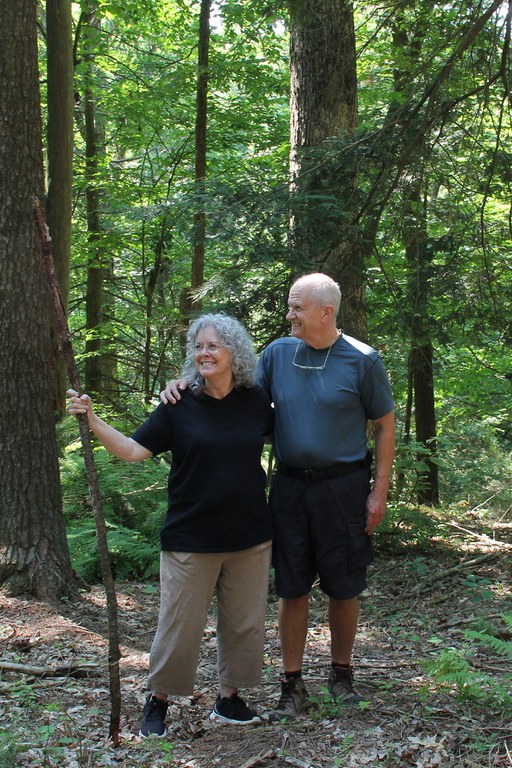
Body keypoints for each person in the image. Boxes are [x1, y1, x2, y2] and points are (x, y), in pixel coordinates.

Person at [161, 273, 395, 722]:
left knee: (344, 586)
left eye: (296, 308)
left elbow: (385, 426)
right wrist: (184, 383)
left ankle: (341, 675)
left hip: (343, 488)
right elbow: (235, 394)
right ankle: (292, 684)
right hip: (288, 487)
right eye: (290, 307)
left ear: (325, 312)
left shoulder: (363, 360)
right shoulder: (277, 354)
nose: (288, 316)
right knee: (291, 585)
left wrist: (377, 494)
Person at [68, 313, 274, 737]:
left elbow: (290, 439)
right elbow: (131, 449)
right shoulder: (178, 404)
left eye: (213, 345)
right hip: (190, 537)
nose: (204, 353)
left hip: (249, 536)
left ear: (235, 353)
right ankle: (158, 701)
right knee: (179, 625)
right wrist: (91, 420)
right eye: (198, 346)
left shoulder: (257, 401)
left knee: (244, 623)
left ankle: (229, 699)